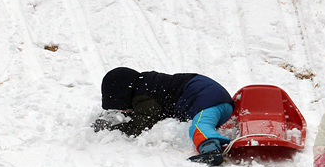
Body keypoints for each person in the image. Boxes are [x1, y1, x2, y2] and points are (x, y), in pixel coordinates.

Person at [93, 68, 235, 161]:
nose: (124, 112)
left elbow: (141, 124)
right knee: (203, 121)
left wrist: (111, 129)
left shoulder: (144, 96)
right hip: (216, 99)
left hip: (207, 98)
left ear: (124, 95)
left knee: (199, 126)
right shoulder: (146, 85)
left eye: (122, 108)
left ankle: (211, 151)